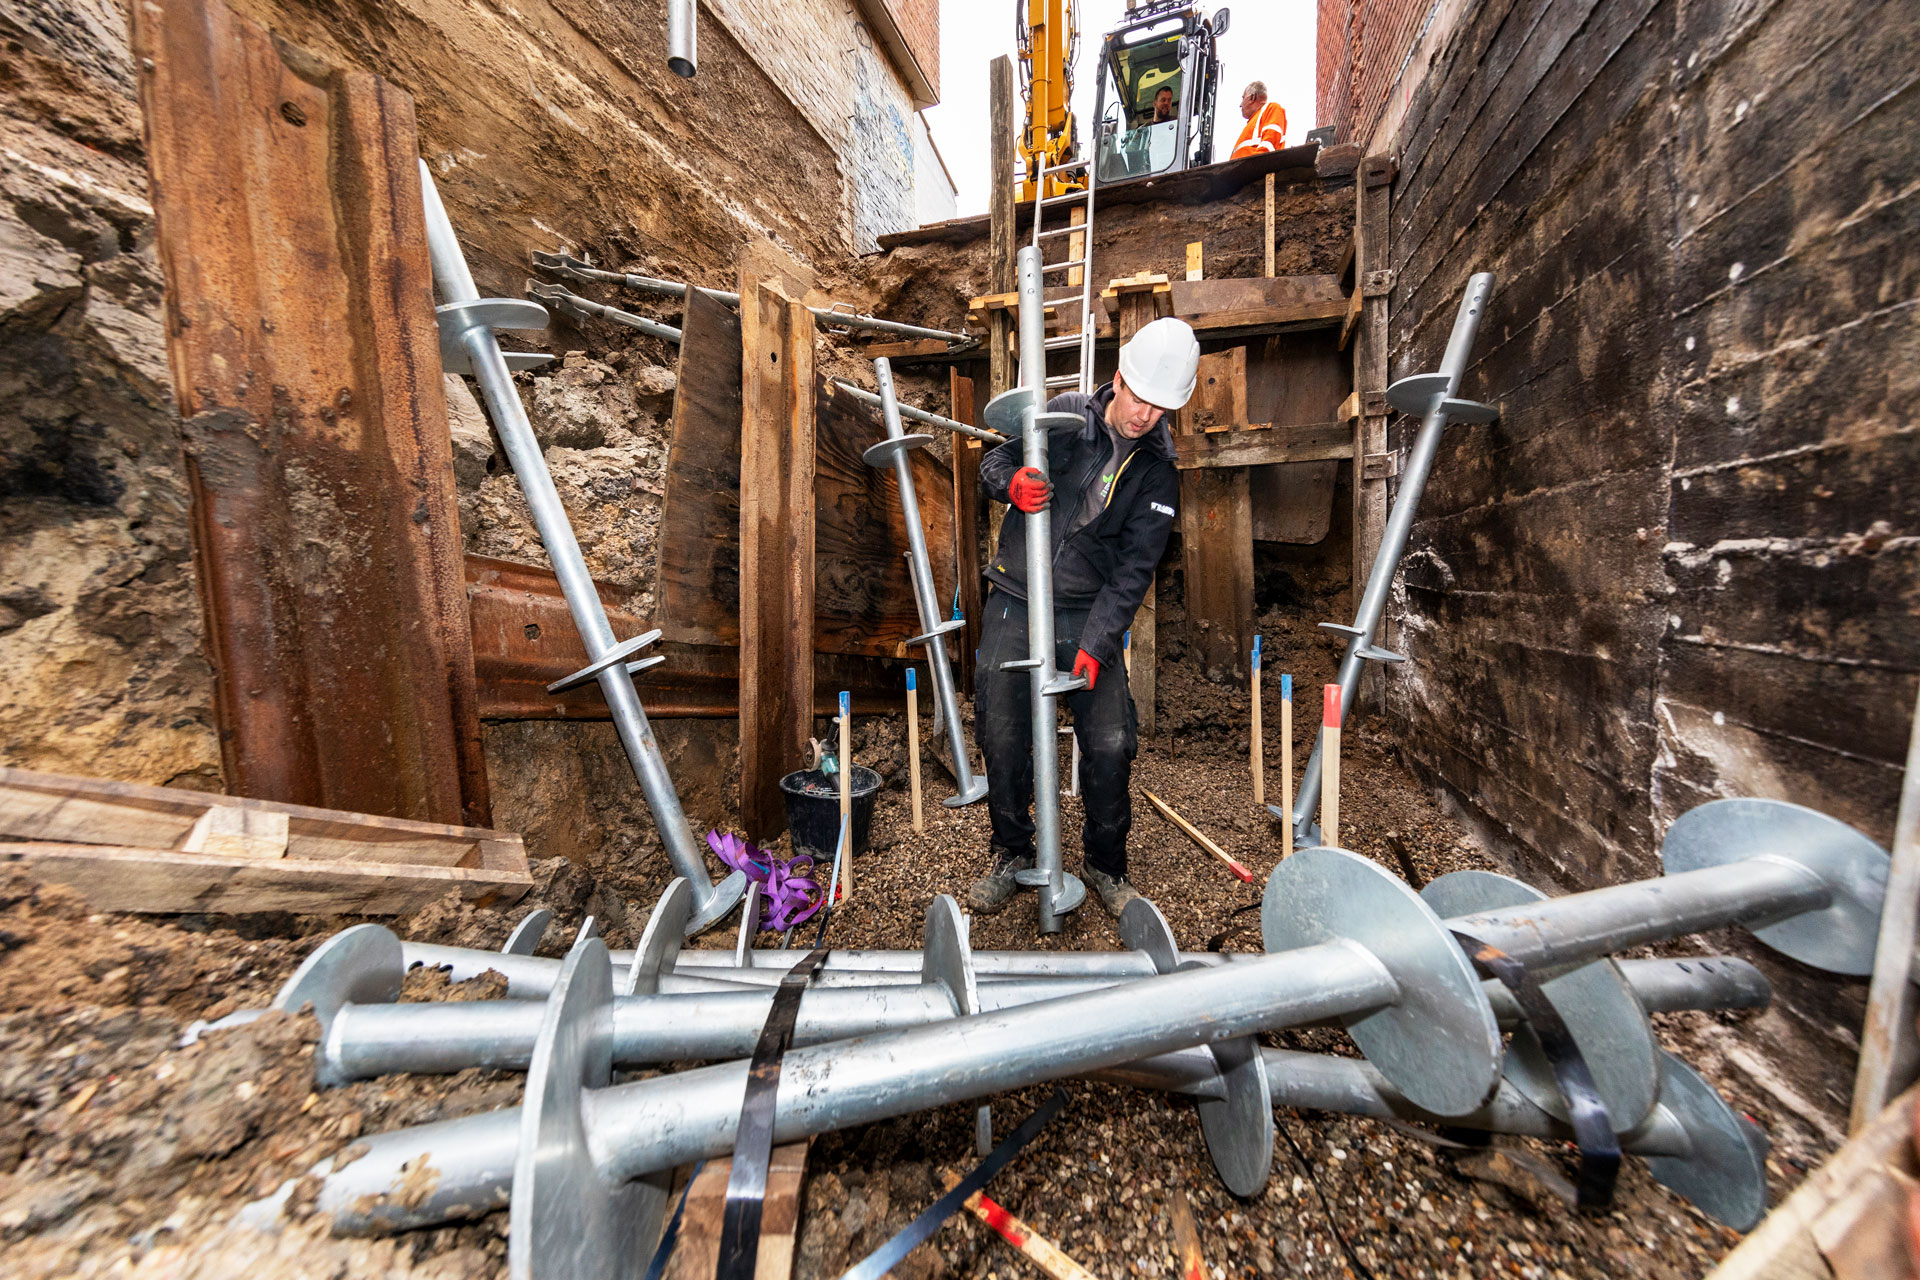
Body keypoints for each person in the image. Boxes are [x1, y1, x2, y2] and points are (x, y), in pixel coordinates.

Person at [967, 317, 1201, 918]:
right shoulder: (1066, 413)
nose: (1146, 415)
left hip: (1085, 613)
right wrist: (1012, 483)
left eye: (1161, 406)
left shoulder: (1158, 471)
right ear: (1118, 379)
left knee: (1111, 740)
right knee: (1001, 728)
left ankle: (1104, 864)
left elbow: (1134, 571)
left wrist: (1098, 644)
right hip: (1016, 596)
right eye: (1140, 398)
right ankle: (1012, 851)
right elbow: (992, 467)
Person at [1230, 80, 1287, 158]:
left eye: (1243, 98)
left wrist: (1256, 166)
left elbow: (1269, 143)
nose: (1240, 105)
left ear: (1252, 97)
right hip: (1243, 169)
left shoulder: (1272, 109)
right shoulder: (1254, 122)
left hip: (1254, 168)